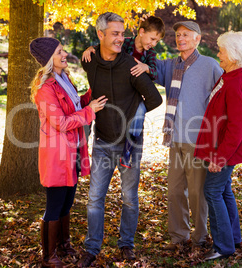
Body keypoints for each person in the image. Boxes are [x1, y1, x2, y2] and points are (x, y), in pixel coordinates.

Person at [77, 12, 163, 267]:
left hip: (130, 144)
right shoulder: (90, 61)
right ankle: (92, 247)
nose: (120, 38)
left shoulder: (132, 66)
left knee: (129, 197)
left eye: (121, 33)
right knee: (94, 198)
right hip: (103, 141)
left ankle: (126, 244)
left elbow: (156, 99)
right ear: (100, 35)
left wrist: (132, 111)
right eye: (114, 33)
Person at [29, 37, 107, 267]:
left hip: (72, 151)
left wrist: (91, 94)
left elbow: (75, 106)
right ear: (48, 60)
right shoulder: (45, 89)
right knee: (54, 205)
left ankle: (63, 245)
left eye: (63, 50)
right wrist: (89, 111)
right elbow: (60, 122)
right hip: (56, 154)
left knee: (67, 203)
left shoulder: (64, 80)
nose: (65, 55)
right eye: (59, 52)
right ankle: (48, 256)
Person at [155, 21, 223, 250]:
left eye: (186, 35)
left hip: (198, 140)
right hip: (174, 138)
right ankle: (178, 237)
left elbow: (226, 95)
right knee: (174, 191)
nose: (180, 38)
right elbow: (141, 58)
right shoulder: (170, 65)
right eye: (178, 35)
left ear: (197, 39)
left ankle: (200, 238)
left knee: (196, 192)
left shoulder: (210, 65)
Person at [194, 31, 242, 260]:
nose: (218, 54)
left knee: (212, 191)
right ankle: (233, 238)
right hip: (221, 147)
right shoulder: (230, 74)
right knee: (224, 190)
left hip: (226, 151)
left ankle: (223, 246)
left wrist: (220, 158)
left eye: (221, 51)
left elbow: (237, 124)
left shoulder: (236, 81)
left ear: (235, 56)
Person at [82, 16, 165, 168]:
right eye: (152, 39)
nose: (153, 44)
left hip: (137, 93)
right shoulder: (125, 42)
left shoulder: (150, 54)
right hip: (118, 87)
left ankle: (127, 151)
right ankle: (81, 147)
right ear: (141, 32)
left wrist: (146, 68)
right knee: (93, 106)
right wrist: (90, 48)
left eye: (156, 41)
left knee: (138, 115)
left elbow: (154, 72)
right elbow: (106, 46)